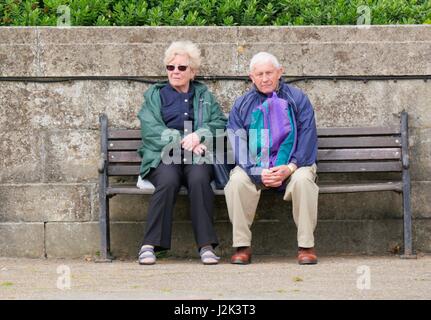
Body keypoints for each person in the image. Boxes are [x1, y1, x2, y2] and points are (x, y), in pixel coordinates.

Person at [137, 41, 227, 265]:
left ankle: (206, 246)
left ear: (192, 72)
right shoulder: (155, 95)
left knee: (199, 179)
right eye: (171, 67)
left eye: (181, 67)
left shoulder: (203, 95)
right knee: (167, 180)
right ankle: (150, 245)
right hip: (163, 154)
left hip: (198, 154)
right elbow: (151, 128)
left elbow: (219, 122)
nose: (175, 71)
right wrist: (184, 141)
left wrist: (200, 136)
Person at [225, 52, 319, 265]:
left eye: (269, 73)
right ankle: (242, 246)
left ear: (280, 72)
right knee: (237, 182)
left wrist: (291, 167)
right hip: (256, 166)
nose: (265, 78)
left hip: (294, 163)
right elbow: (238, 144)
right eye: (260, 74)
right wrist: (256, 170)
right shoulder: (241, 105)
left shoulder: (297, 98)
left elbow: (307, 136)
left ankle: (306, 246)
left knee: (304, 180)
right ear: (252, 77)